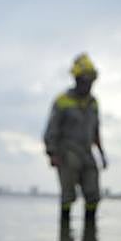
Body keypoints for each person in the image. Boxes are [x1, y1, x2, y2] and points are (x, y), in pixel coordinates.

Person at [44, 54, 107, 222]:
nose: (88, 84)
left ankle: (90, 229)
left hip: (87, 152)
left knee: (93, 193)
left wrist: (102, 154)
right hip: (67, 153)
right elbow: (51, 130)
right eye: (85, 80)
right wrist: (52, 154)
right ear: (77, 79)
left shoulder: (94, 103)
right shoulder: (62, 101)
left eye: (91, 80)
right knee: (68, 195)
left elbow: (96, 130)